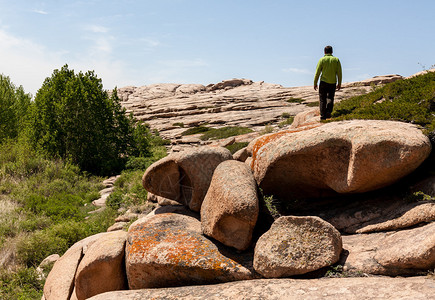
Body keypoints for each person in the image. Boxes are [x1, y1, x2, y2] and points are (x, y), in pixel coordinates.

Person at [314, 45, 342, 120]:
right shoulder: (336, 60)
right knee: (330, 97)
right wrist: (339, 83)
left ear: (324, 52)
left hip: (323, 82)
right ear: (332, 51)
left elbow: (317, 72)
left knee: (322, 99)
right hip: (332, 82)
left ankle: (323, 116)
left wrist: (315, 83)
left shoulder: (322, 60)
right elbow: (339, 73)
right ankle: (328, 112)